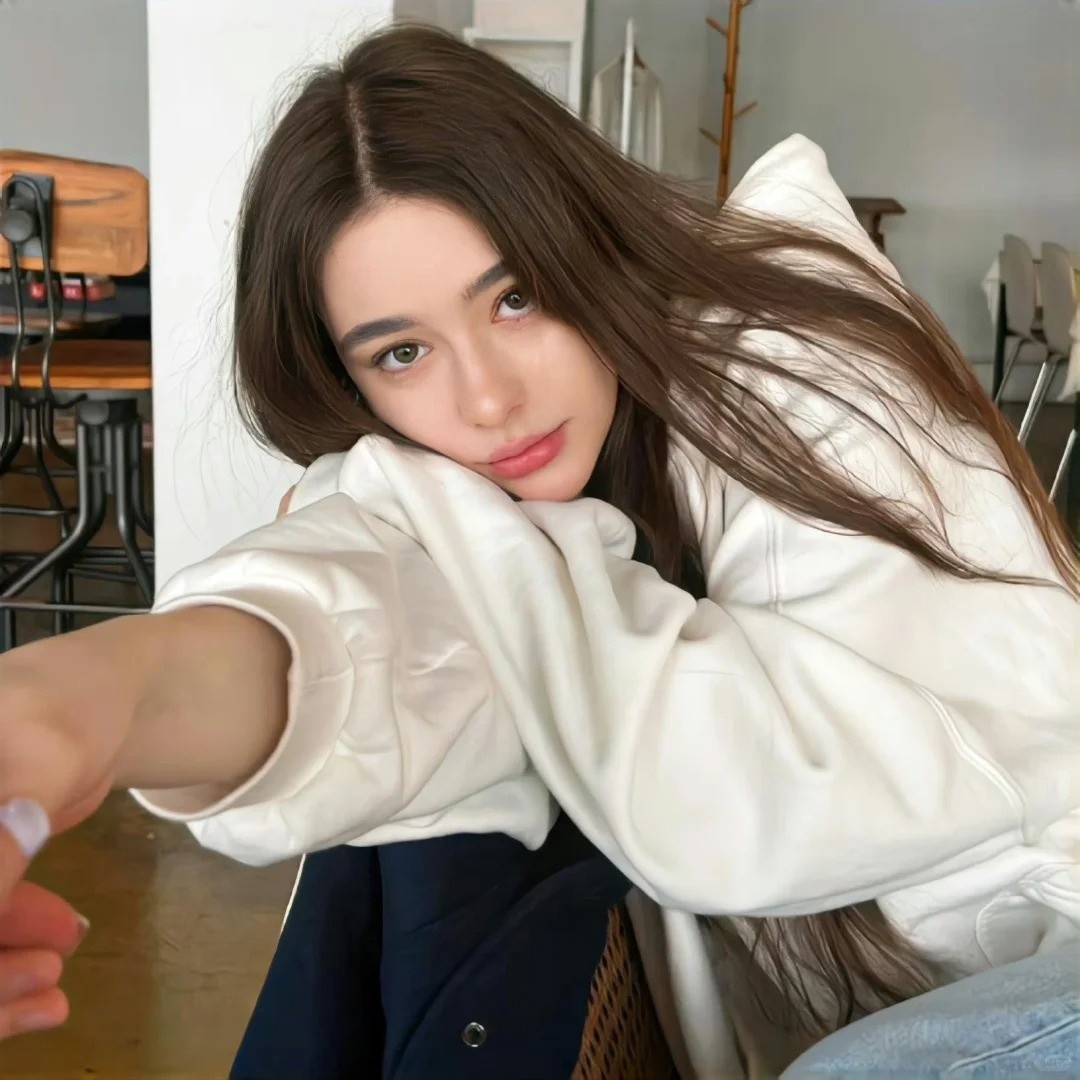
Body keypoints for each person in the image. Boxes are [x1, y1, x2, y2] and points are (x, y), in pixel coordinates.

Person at [0, 23, 1077, 1078]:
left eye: (516, 299)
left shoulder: (798, 362)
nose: (487, 398)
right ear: (348, 380)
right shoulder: (529, 474)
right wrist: (79, 704)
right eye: (403, 352)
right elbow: (375, 637)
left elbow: (774, 795)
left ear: (586, 242)